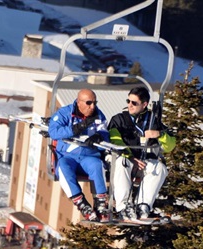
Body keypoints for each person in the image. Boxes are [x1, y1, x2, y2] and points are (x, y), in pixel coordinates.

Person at [108, 86, 176, 220]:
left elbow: (170, 146)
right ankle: (123, 207)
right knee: (122, 162)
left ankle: (143, 205)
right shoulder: (118, 120)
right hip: (125, 159)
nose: (130, 105)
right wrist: (131, 157)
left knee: (159, 168)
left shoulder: (153, 121)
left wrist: (159, 134)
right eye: (128, 101)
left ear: (144, 104)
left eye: (134, 103)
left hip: (144, 162)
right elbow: (115, 142)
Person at [48, 88, 110, 222]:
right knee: (63, 167)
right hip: (68, 155)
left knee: (96, 165)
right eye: (88, 103)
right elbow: (53, 131)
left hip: (89, 155)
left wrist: (99, 137)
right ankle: (81, 203)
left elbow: (105, 132)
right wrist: (75, 129)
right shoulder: (65, 113)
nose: (92, 106)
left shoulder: (98, 115)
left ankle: (100, 203)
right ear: (79, 102)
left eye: (94, 102)